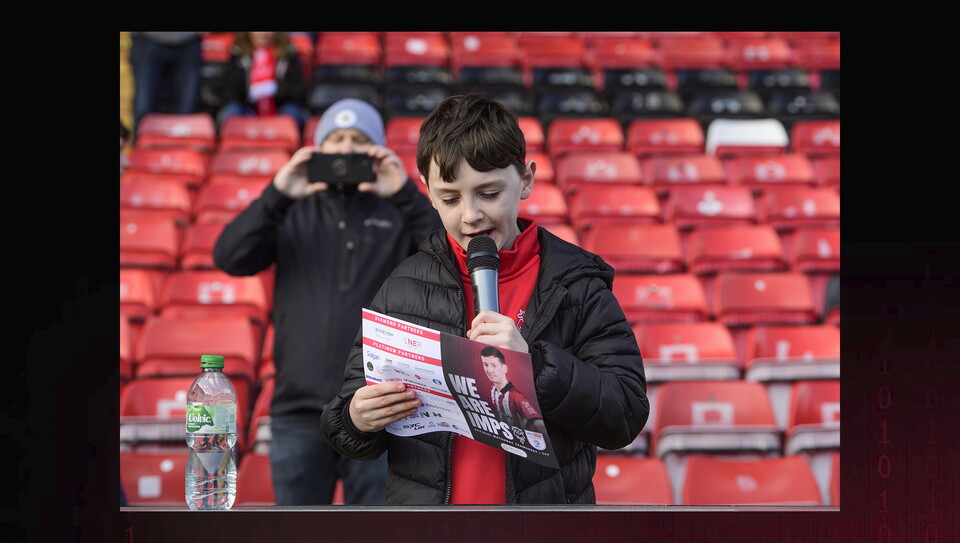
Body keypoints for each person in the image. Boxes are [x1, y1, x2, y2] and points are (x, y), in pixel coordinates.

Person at [320, 93, 649, 504]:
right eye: (450, 199)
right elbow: (347, 422)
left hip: (542, 525)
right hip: (429, 527)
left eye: (489, 194)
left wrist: (533, 367)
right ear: (428, 192)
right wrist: (356, 418)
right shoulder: (402, 285)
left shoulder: (576, 284)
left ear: (525, 180)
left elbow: (625, 414)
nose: (470, 215)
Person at [212, 98, 442, 505]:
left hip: (378, 406)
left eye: (359, 139)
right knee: (300, 530)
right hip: (298, 410)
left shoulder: (398, 210)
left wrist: (405, 194)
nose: (346, 148)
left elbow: (448, 261)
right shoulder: (291, 209)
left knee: (378, 528)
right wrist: (279, 193)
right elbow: (230, 256)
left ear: (377, 150)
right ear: (318, 149)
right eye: (335, 139)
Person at [217, 31, 308, 132]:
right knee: (232, 110)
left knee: (292, 112)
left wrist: (273, 91)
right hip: (247, 108)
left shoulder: (289, 55)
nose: (263, 34)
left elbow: (297, 91)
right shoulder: (237, 54)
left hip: (279, 108)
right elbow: (229, 90)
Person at [128, 32, 203, 140]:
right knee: (144, 110)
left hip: (189, 40)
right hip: (147, 39)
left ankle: (180, 150)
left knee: (185, 115)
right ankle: (141, 149)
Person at [479, 345, 548, 435]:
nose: (489, 370)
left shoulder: (516, 397)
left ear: (505, 368)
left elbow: (539, 425)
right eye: (486, 365)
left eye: (494, 365)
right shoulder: (491, 390)